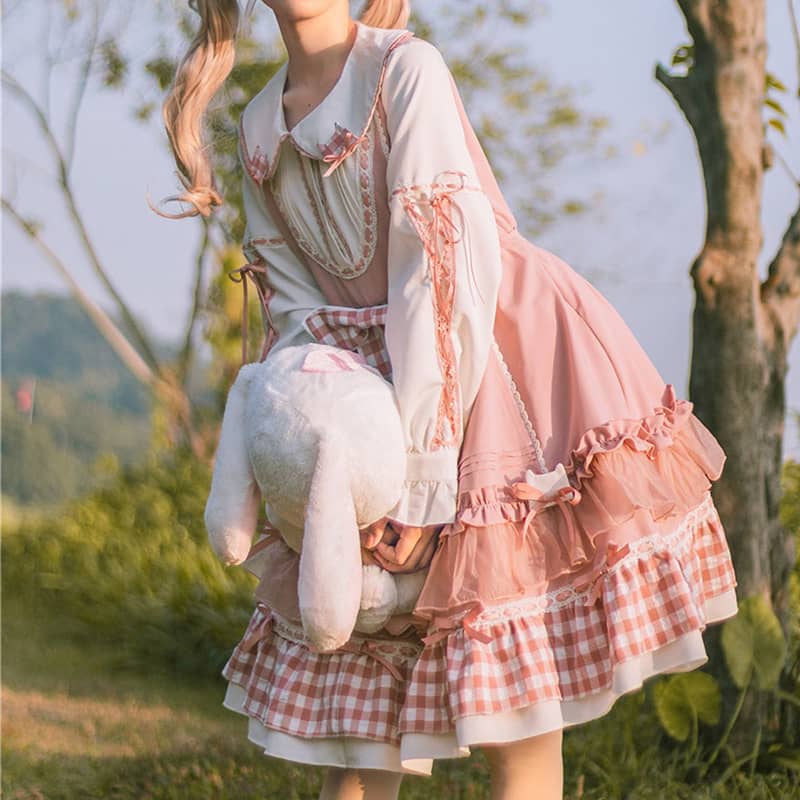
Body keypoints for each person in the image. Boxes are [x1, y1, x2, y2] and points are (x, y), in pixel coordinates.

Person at [158, 2, 740, 798]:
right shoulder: (261, 126)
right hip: (360, 409)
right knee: (358, 735)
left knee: (517, 721)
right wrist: (336, 479)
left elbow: (437, 279)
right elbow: (293, 322)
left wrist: (422, 485)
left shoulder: (404, 71)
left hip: (492, 382)